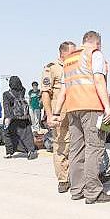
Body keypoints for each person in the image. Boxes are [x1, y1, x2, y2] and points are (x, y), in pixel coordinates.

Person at [49, 31, 110, 204]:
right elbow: (99, 81)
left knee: (76, 149)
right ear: (97, 43)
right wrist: (108, 108)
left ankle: (77, 189)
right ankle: (93, 191)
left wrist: (56, 113)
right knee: (94, 147)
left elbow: (63, 90)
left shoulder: (69, 59)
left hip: (72, 109)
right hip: (91, 107)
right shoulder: (95, 54)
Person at [42, 40, 76, 193]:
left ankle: (75, 176)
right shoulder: (52, 69)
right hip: (60, 112)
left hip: (75, 110)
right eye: (72, 52)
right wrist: (50, 116)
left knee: (75, 145)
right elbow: (45, 93)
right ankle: (63, 179)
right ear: (63, 53)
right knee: (61, 145)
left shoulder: (76, 66)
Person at [3, 76, 38, 160]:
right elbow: (22, 88)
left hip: (13, 118)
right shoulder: (22, 91)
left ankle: (9, 152)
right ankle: (30, 151)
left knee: (8, 134)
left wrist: (7, 117)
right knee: (27, 135)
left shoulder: (6, 94)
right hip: (24, 117)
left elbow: (6, 106)